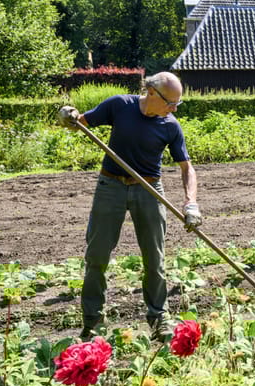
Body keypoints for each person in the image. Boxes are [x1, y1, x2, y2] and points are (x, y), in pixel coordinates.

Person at [57, 72, 202, 342]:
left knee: (155, 259)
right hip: (110, 186)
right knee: (97, 255)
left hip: (149, 189)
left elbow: (187, 168)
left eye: (177, 104)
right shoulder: (119, 105)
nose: (173, 109)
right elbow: (81, 123)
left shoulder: (170, 126)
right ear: (151, 92)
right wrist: (69, 116)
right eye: (170, 102)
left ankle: (159, 318)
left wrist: (191, 203)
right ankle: (93, 322)